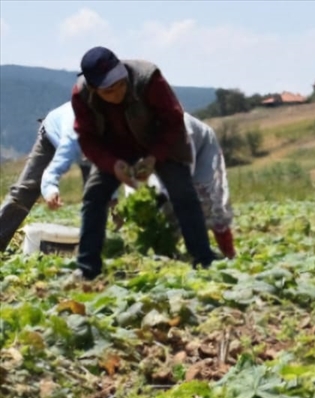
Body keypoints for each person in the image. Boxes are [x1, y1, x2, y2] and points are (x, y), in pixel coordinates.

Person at [71, 46, 216, 279]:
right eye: (108, 91)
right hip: (115, 149)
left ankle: (204, 260)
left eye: (120, 84)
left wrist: (154, 157)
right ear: (93, 89)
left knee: (183, 193)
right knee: (94, 195)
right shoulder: (81, 95)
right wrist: (111, 165)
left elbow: (173, 120)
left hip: (159, 141)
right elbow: (87, 137)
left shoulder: (148, 79)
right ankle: (87, 267)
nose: (117, 93)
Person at [112, 113, 237, 258]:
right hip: (155, 159)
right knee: (162, 208)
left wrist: (164, 196)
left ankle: (228, 251)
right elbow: (130, 179)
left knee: (209, 197)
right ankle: (169, 250)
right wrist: (126, 207)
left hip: (199, 148)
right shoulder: (127, 139)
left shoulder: (176, 125)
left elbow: (183, 179)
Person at [0, 102, 92, 253]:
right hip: (52, 133)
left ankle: (116, 240)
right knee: (25, 190)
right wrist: (50, 190)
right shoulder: (72, 136)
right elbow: (51, 172)